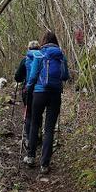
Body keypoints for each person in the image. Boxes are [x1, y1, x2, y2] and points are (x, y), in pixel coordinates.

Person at [23, 30, 69, 174]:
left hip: (39, 92)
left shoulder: (39, 54)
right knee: (49, 128)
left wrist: (29, 87)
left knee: (35, 124)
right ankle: (44, 164)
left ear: (43, 41)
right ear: (55, 41)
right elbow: (65, 76)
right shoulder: (61, 55)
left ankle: (30, 157)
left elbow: (34, 73)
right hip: (55, 94)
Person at [14, 40, 41, 147]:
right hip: (40, 90)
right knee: (38, 113)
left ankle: (29, 138)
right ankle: (37, 135)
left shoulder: (25, 60)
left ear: (28, 49)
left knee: (29, 113)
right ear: (39, 48)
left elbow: (17, 77)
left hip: (28, 91)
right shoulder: (42, 59)